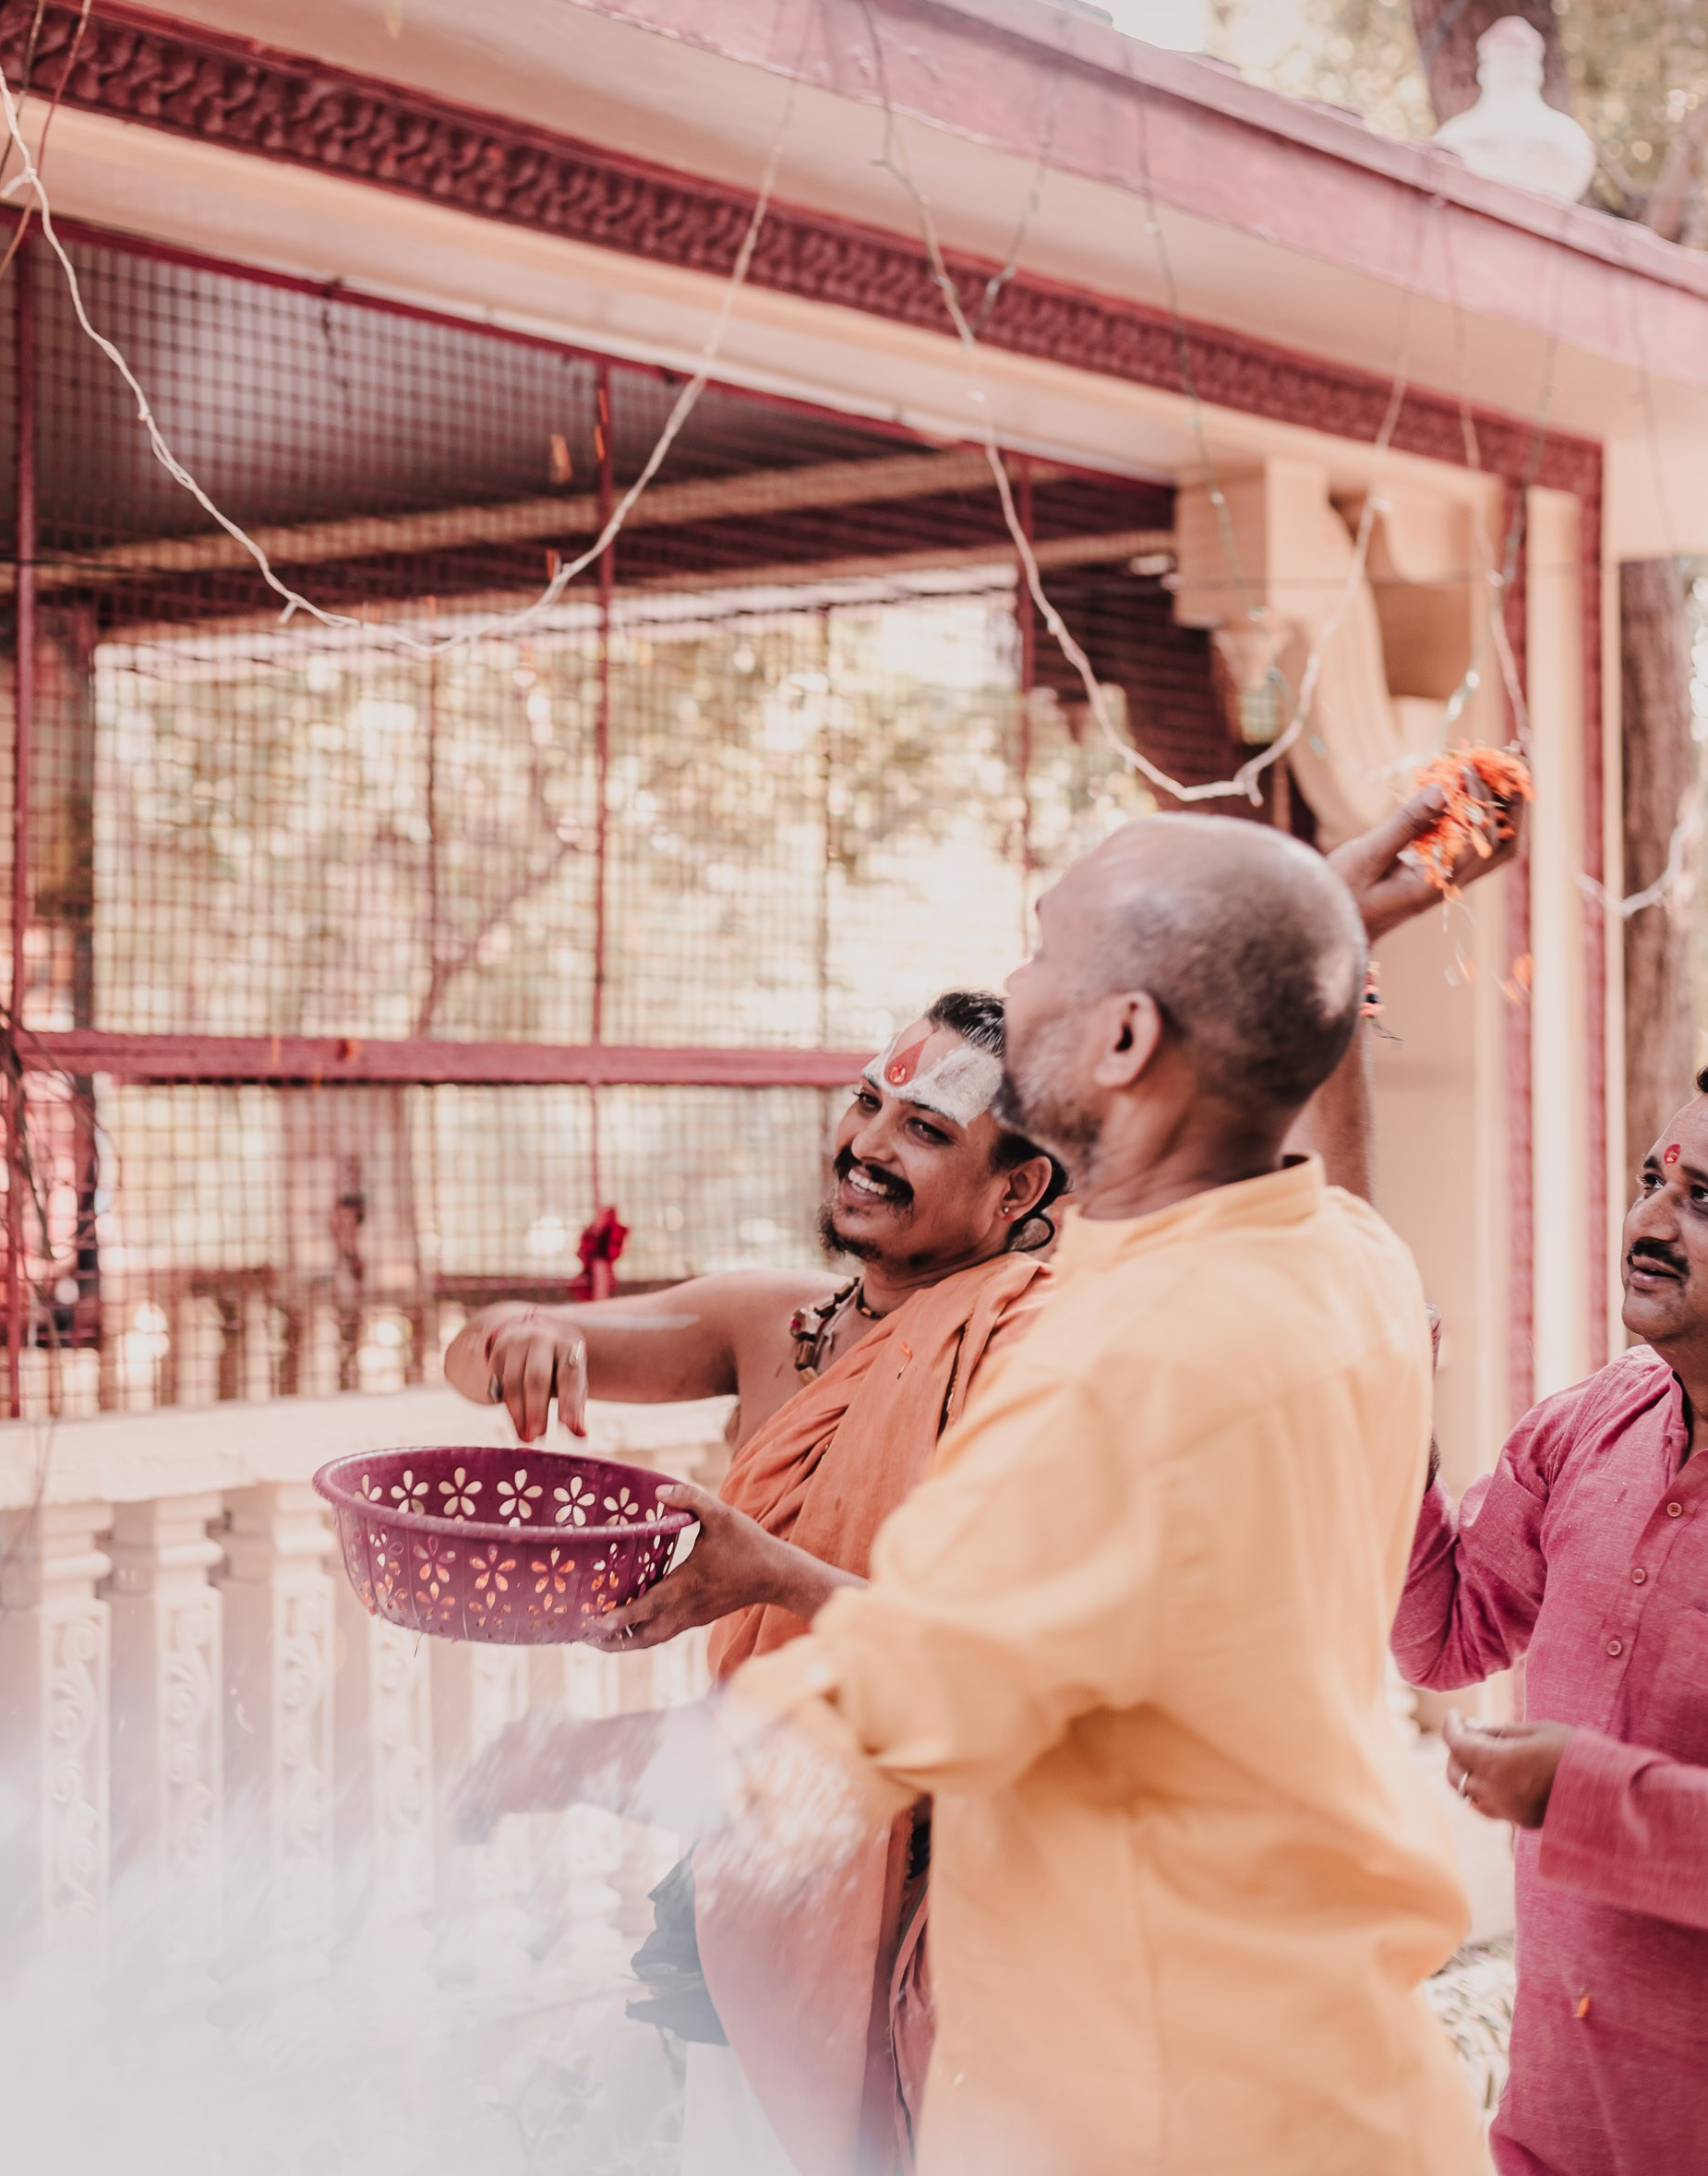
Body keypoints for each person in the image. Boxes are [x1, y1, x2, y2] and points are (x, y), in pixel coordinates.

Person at [463, 801, 1510, 2176]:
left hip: (1156, 2117)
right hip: (1340, 2088)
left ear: (1126, 1042)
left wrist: (577, 1758)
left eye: (1040, 955)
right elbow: (1313, 1163)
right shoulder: (1346, 1265)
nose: (1011, 991)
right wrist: (1310, 937)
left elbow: (861, 1725)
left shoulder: (1104, 1378)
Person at [448, 989, 1068, 2176]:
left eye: (927, 1131)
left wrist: (768, 1574)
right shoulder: (769, 1321)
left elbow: (1013, 1656)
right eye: (865, 1103)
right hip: (756, 1857)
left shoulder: (1037, 1352)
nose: (869, 1147)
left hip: (957, 1887)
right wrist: (523, 1337)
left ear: (1020, 1190)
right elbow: (472, 1360)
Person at [1394, 1073, 1708, 2176]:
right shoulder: (1593, 1422)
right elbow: (1446, 1636)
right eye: (1649, 1182)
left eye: (1704, 1200)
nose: (1650, 1225)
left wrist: (1582, 1797)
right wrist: (1394, 1431)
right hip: (1555, 2123)